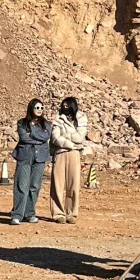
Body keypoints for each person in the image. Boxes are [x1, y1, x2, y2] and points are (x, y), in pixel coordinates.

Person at [9, 97, 51, 225]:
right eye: (37, 107)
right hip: (25, 155)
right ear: (31, 108)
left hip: (40, 157)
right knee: (22, 185)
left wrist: (31, 134)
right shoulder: (22, 123)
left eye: (41, 108)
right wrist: (38, 138)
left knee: (35, 186)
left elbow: (46, 137)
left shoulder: (46, 124)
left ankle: (30, 213)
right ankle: (17, 214)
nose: (39, 110)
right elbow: (23, 138)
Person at [49, 95, 88, 224]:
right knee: (57, 184)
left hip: (74, 154)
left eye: (67, 106)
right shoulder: (58, 118)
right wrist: (70, 144)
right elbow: (55, 137)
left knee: (74, 184)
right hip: (60, 153)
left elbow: (80, 137)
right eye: (63, 106)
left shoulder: (81, 118)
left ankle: (72, 213)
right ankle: (58, 213)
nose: (65, 108)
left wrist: (65, 136)